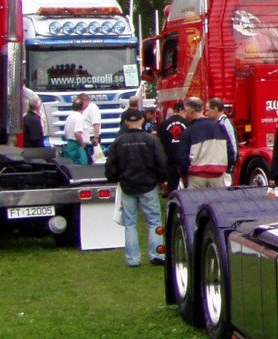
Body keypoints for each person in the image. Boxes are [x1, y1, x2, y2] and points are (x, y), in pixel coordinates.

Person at [104, 108, 169, 267]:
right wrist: (162, 180)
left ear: (126, 122)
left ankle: (133, 259)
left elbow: (110, 166)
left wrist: (116, 178)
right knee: (154, 222)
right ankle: (157, 255)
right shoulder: (151, 139)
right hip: (148, 185)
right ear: (142, 120)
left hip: (127, 186)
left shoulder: (118, 142)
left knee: (130, 224)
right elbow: (161, 162)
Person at [179, 96, 235, 189]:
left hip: (196, 177)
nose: (184, 114)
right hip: (217, 176)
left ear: (190, 110)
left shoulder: (188, 131)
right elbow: (230, 150)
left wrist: (185, 175)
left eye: (185, 111)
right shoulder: (219, 127)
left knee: (196, 199)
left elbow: (182, 158)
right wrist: (227, 169)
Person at [207, 97, 239, 186]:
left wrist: (230, 167)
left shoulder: (225, 124)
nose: (206, 113)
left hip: (226, 169)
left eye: (208, 110)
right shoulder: (220, 123)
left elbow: (233, 146)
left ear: (215, 109)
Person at [158, 102, 188, 191]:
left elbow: (161, 143)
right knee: (187, 188)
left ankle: (172, 198)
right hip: (184, 159)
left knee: (172, 188)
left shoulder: (164, 124)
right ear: (181, 110)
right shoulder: (187, 123)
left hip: (170, 160)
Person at [62, 97, 90, 165]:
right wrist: (82, 144)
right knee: (81, 166)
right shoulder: (79, 117)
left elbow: (65, 132)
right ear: (83, 106)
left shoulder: (70, 117)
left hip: (69, 145)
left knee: (70, 166)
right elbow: (77, 132)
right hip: (77, 146)